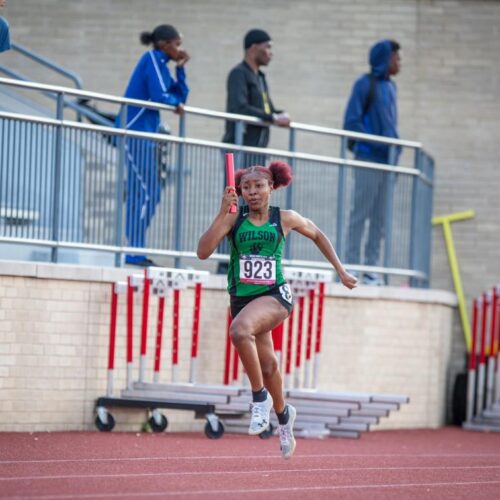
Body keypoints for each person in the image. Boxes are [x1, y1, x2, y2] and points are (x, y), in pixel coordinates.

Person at [197, 161, 357, 459]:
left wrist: (342, 271)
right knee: (269, 366)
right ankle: (284, 417)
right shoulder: (234, 218)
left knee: (239, 330)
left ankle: (259, 399)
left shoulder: (284, 218)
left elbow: (318, 235)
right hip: (242, 299)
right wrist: (223, 211)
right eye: (246, 187)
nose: (253, 192)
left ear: (272, 187)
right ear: (240, 191)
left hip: (274, 296)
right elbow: (203, 252)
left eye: (259, 186)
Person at [117, 24, 190, 266]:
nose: (180, 49)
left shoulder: (163, 66)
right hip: (133, 131)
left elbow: (179, 96)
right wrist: (173, 102)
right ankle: (133, 251)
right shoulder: (151, 58)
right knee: (145, 193)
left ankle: (135, 247)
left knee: (152, 193)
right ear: (164, 44)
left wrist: (181, 70)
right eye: (177, 44)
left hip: (147, 135)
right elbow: (162, 97)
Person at [343, 39, 401, 285]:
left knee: (380, 219)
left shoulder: (392, 87)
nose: (400, 62)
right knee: (361, 215)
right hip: (368, 159)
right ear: (385, 59)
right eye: (396, 57)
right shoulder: (364, 84)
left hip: (388, 163)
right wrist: (377, 144)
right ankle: (352, 266)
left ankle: (371, 270)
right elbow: (352, 122)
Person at [222, 29, 290, 167]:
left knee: (256, 189)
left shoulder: (260, 77)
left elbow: (267, 110)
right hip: (238, 148)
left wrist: (280, 114)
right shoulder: (238, 74)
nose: (271, 53)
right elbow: (239, 108)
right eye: (267, 47)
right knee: (235, 188)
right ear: (253, 48)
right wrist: (273, 118)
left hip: (257, 150)